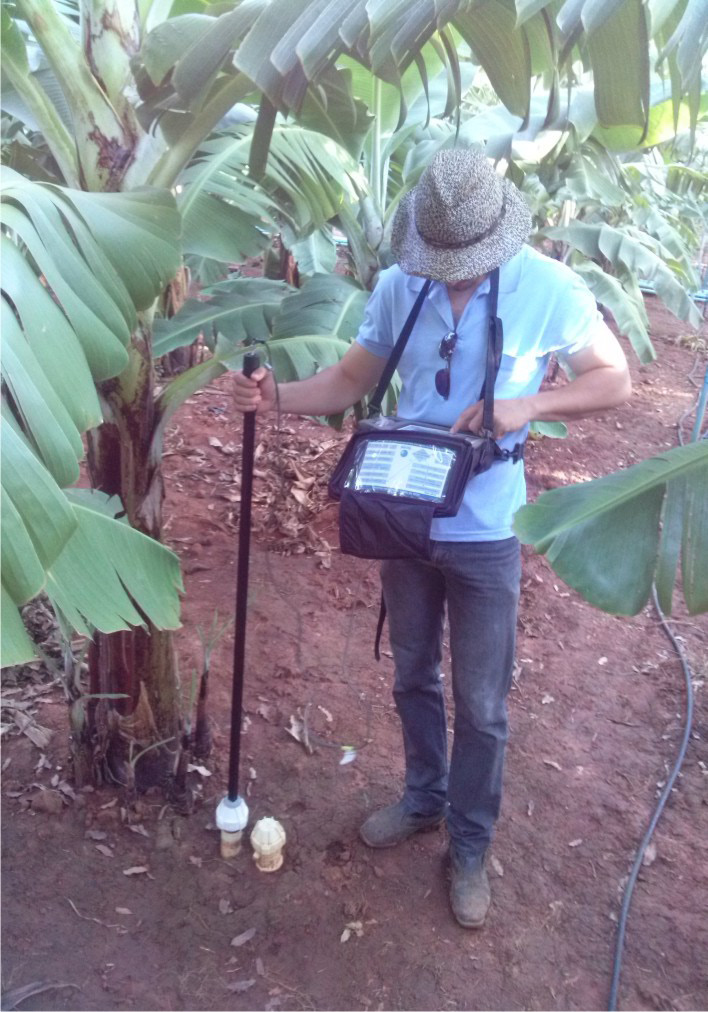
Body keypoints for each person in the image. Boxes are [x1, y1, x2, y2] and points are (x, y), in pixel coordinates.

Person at [233, 148, 631, 928]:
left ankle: (471, 843)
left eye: (464, 263)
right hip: (404, 514)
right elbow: (350, 381)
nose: (450, 273)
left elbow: (614, 380)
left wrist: (526, 408)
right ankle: (423, 796)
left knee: (481, 702)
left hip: (487, 527)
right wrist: (272, 398)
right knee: (413, 670)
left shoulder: (549, 289)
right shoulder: (398, 286)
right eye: (439, 260)